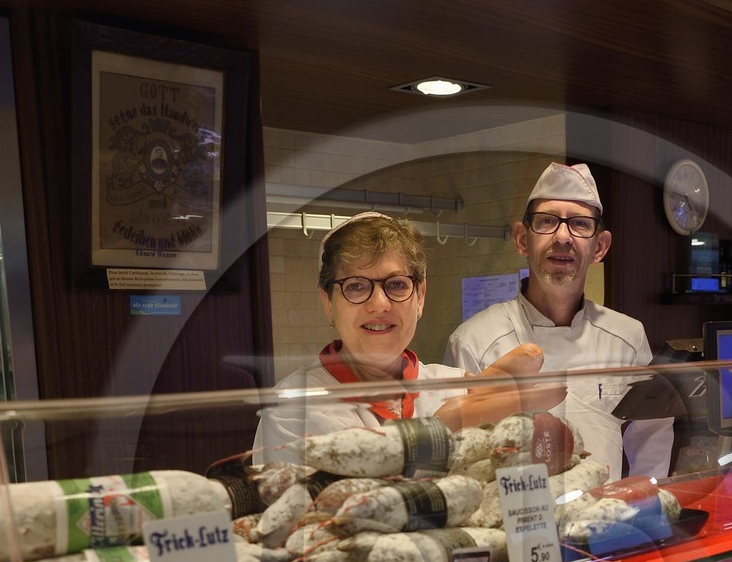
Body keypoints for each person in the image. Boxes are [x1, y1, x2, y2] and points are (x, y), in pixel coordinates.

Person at [446, 162, 674, 481]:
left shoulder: (628, 336)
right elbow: (460, 450)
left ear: (600, 247)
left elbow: (652, 436)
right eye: (547, 222)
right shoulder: (473, 340)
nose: (563, 237)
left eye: (580, 224)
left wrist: (642, 505)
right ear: (522, 239)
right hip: (513, 524)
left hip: (606, 522)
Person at [251, 212, 471, 464]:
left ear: (419, 296)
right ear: (328, 303)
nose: (379, 304)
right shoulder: (294, 408)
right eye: (355, 286)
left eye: (397, 284)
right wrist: (445, 424)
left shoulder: (453, 387)